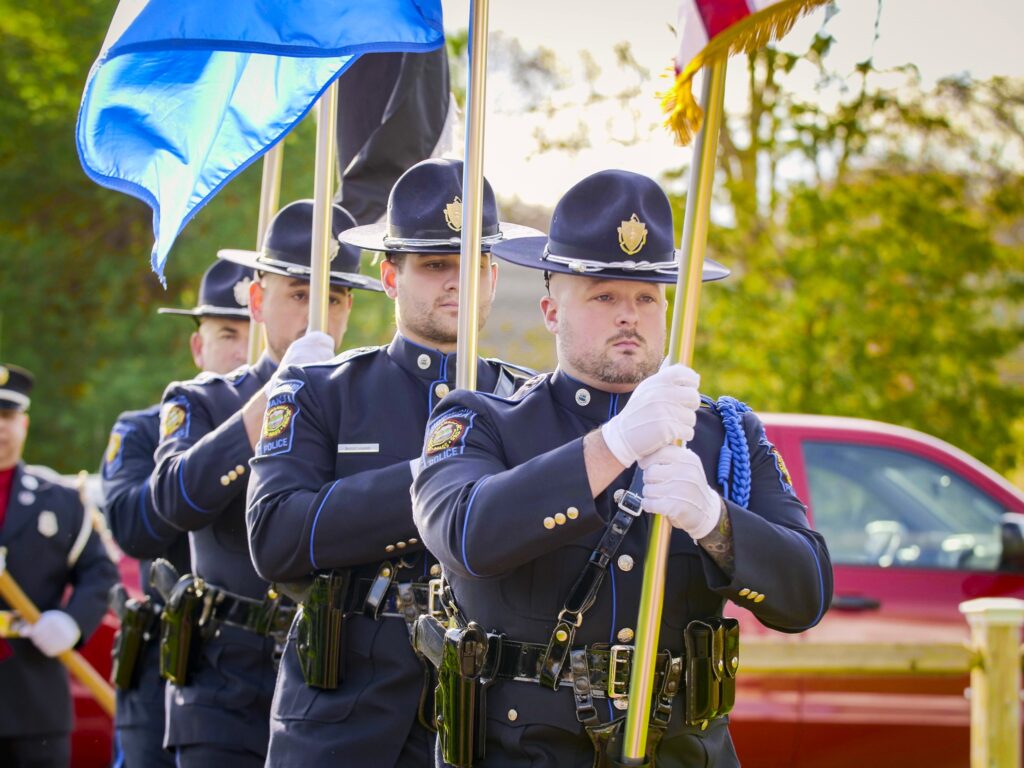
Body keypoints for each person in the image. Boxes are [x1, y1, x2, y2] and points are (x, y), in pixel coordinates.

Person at [412, 170, 833, 767]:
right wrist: (613, 444)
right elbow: (466, 536)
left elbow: (806, 596)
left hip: (683, 751)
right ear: (551, 310)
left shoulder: (724, 435)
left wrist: (714, 521)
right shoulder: (482, 421)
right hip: (523, 753)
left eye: (646, 297)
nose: (628, 315)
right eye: (604, 296)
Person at [246, 158, 538, 768]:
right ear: (388, 276)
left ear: (492, 276)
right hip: (342, 717)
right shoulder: (320, 389)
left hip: (483, 719)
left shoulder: (526, 404)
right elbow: (275, 537)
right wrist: (428, 484)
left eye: (472, 263)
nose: (456, 281)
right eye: (434, 264)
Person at [149, 200, 382, 768]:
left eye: (332, 297)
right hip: (224, 687)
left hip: (328, 681)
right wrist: (277, 392)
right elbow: (173, 500)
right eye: (300, 295)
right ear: (258, 300)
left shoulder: (362, 405)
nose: (318, 315)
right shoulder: (204, 400)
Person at [99, 259, 252, 767]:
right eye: (228, 333)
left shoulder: (303, 425)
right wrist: (226, 446)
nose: (242, 351)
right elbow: (132, 527)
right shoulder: (147, 430)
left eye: (256, 332)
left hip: (257, 662)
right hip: (172, 654)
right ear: (197, 346)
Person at [0, 363, 119, 767]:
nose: (0, 427)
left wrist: (71, 622)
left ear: (25, 424)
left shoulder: (59, 500)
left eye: (7, 416)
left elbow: (99, 573)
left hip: (35, 700)